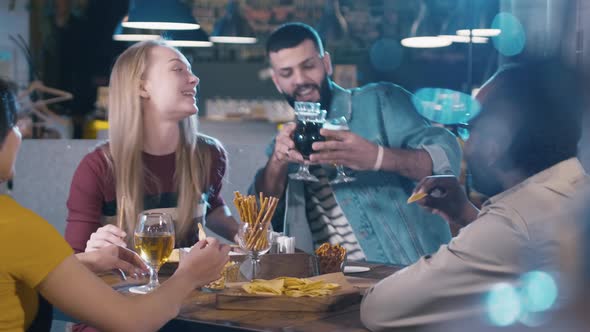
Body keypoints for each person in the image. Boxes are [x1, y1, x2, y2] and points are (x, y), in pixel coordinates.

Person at [360, 61, 590, 330]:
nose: (465, 146)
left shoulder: (510, 224)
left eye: (469, 129)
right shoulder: (575, 194)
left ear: (497, 141)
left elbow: (380, 309)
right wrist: (466, 213)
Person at [0, 77, 231, 331]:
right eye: (14, 124)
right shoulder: (20, 229)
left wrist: (87, 261)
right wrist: (190, 276)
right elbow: (132, 322)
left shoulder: (208, 154)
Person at [249, 23, 461, 264]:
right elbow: (257, 217)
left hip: (405, 278)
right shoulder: (285, 144)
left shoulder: (380, 101)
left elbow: (446, 158)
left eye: (308, 66)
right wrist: (277, 163)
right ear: (277, 81)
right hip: (333, 285)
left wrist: (378, 158)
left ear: (326, 64)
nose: (300, 80)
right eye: (287, 74)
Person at [65, 40, 239, 254]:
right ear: (141, 86)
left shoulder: (209, 153)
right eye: (178, 69)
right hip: (123, 286)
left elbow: (211, 206)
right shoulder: (98, 167)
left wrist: (242, 233)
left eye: (190, 70)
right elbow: (74, 259)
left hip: (191, 285)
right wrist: (92, 250)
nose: (194, 79)